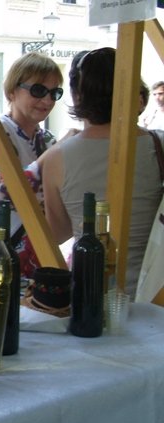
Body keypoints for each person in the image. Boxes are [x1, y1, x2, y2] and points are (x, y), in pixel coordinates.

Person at [38, 47, 164, 299]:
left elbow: (58, 233)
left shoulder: (57, 158)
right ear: (133, 91)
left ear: (78, 95)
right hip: (155, 294)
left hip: (90, 295)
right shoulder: (158, 144)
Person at [0, 52, 63, 278]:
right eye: (38, 90)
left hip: (40, 253)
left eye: (54, 93)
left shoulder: (47, 139)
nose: (47, 100)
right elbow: (7, 190)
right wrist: (56, 154)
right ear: (12, 91)